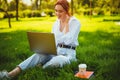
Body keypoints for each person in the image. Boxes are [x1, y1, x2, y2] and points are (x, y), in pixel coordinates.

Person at [0, 0, 80, 79]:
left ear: (67, 11)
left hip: (68, 55)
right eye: (56, 11)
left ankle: (40, 68)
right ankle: (11, 74)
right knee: (38, 55)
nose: (57, 14)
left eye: (60, 11)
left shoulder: (75, 22)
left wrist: (66, 24)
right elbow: (54, 40)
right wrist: (46, 48)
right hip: (56, 51)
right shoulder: (56, 24)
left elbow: (68, 40)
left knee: (58, 60)